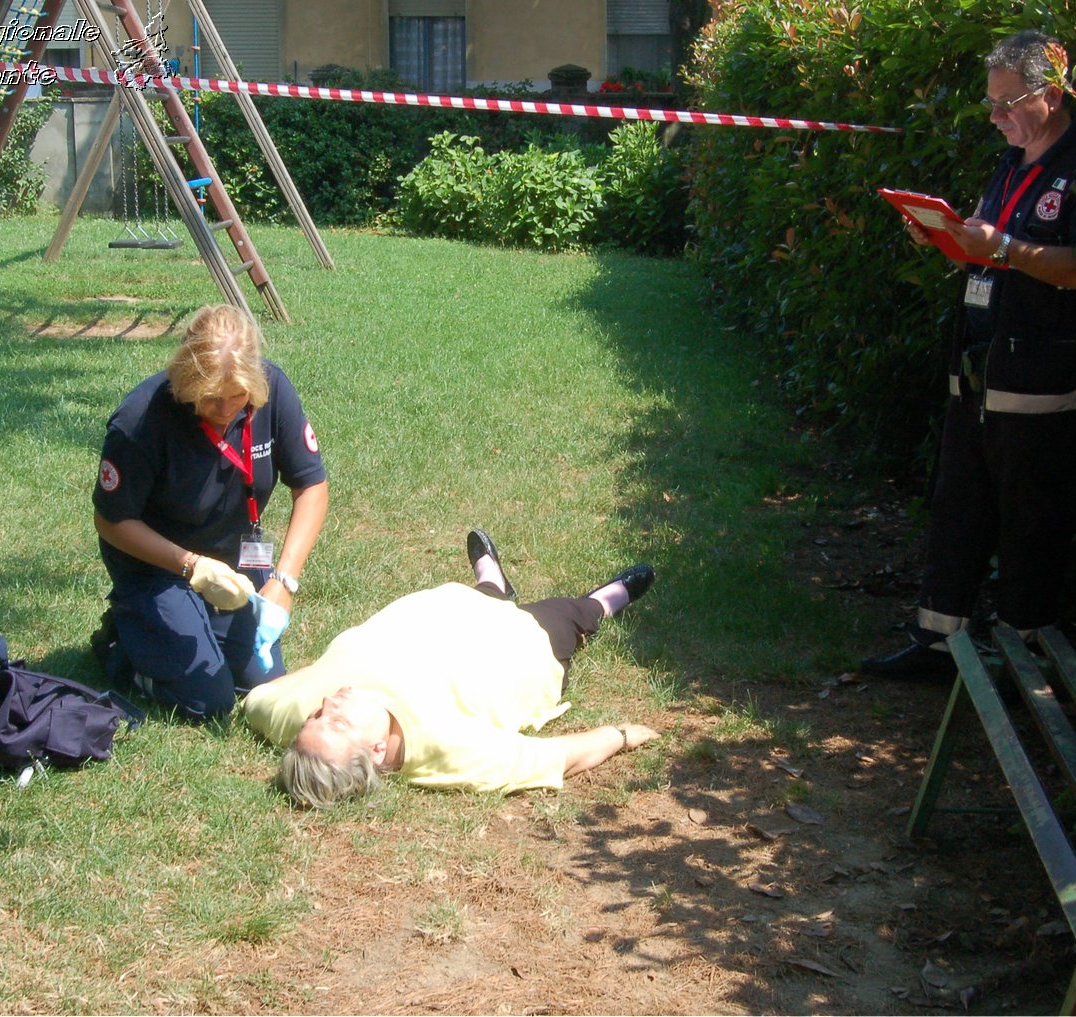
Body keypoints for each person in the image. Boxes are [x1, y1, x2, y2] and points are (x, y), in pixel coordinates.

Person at [864, 31, 1076, 679]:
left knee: (1031, 527)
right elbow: (982, 242)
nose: (996, 118)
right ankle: (935, 645)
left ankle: (1025, 664)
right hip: (977, 375)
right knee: (958, 512)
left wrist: (999, 248)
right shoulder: (1010, 161)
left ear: (1052, 95)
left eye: (1007, 103)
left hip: (1040, 386)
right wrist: (940, 235)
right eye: (990, 105)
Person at [242, 530, 659, 807]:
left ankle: (491, 582)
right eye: (337, 723)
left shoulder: (290, 717)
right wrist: (620, 736)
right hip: (523, 641)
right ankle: (605, 601)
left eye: (317, 715)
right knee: (574, 613)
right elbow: (552, 758)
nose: (328, 702)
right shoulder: (447, 749)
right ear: (377, 752)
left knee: (489, 595)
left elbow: (259, 701)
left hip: (452, 604)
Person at [90, 304, 330, 718]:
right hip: (157, 570)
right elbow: (111, 520)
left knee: (262, 683)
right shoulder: (139, 420)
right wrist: (190, 566)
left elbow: (311, 485)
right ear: (185, 379)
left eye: (238, 397)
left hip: (236, 565)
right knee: (208, 699)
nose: (225, 410)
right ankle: (122, 643)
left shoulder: (274, 391)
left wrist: (283, 582)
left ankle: (186, 631)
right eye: (211, 398)